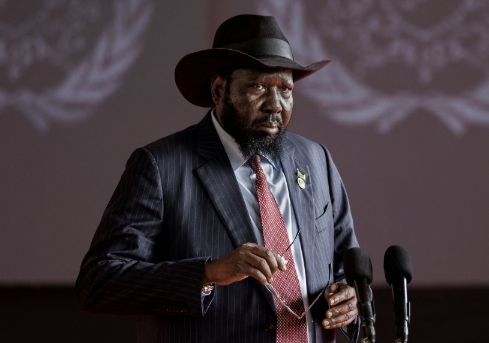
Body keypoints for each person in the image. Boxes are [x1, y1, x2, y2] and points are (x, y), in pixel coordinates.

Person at [76, 14, 359, 343]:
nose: (275, 105)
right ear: (219, 89)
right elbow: (98, 283)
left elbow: (346, 267)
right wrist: (207, 274)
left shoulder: (315, 160)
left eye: (285, 89)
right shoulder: (160, 166)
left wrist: (348, 299)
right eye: (257, 87)